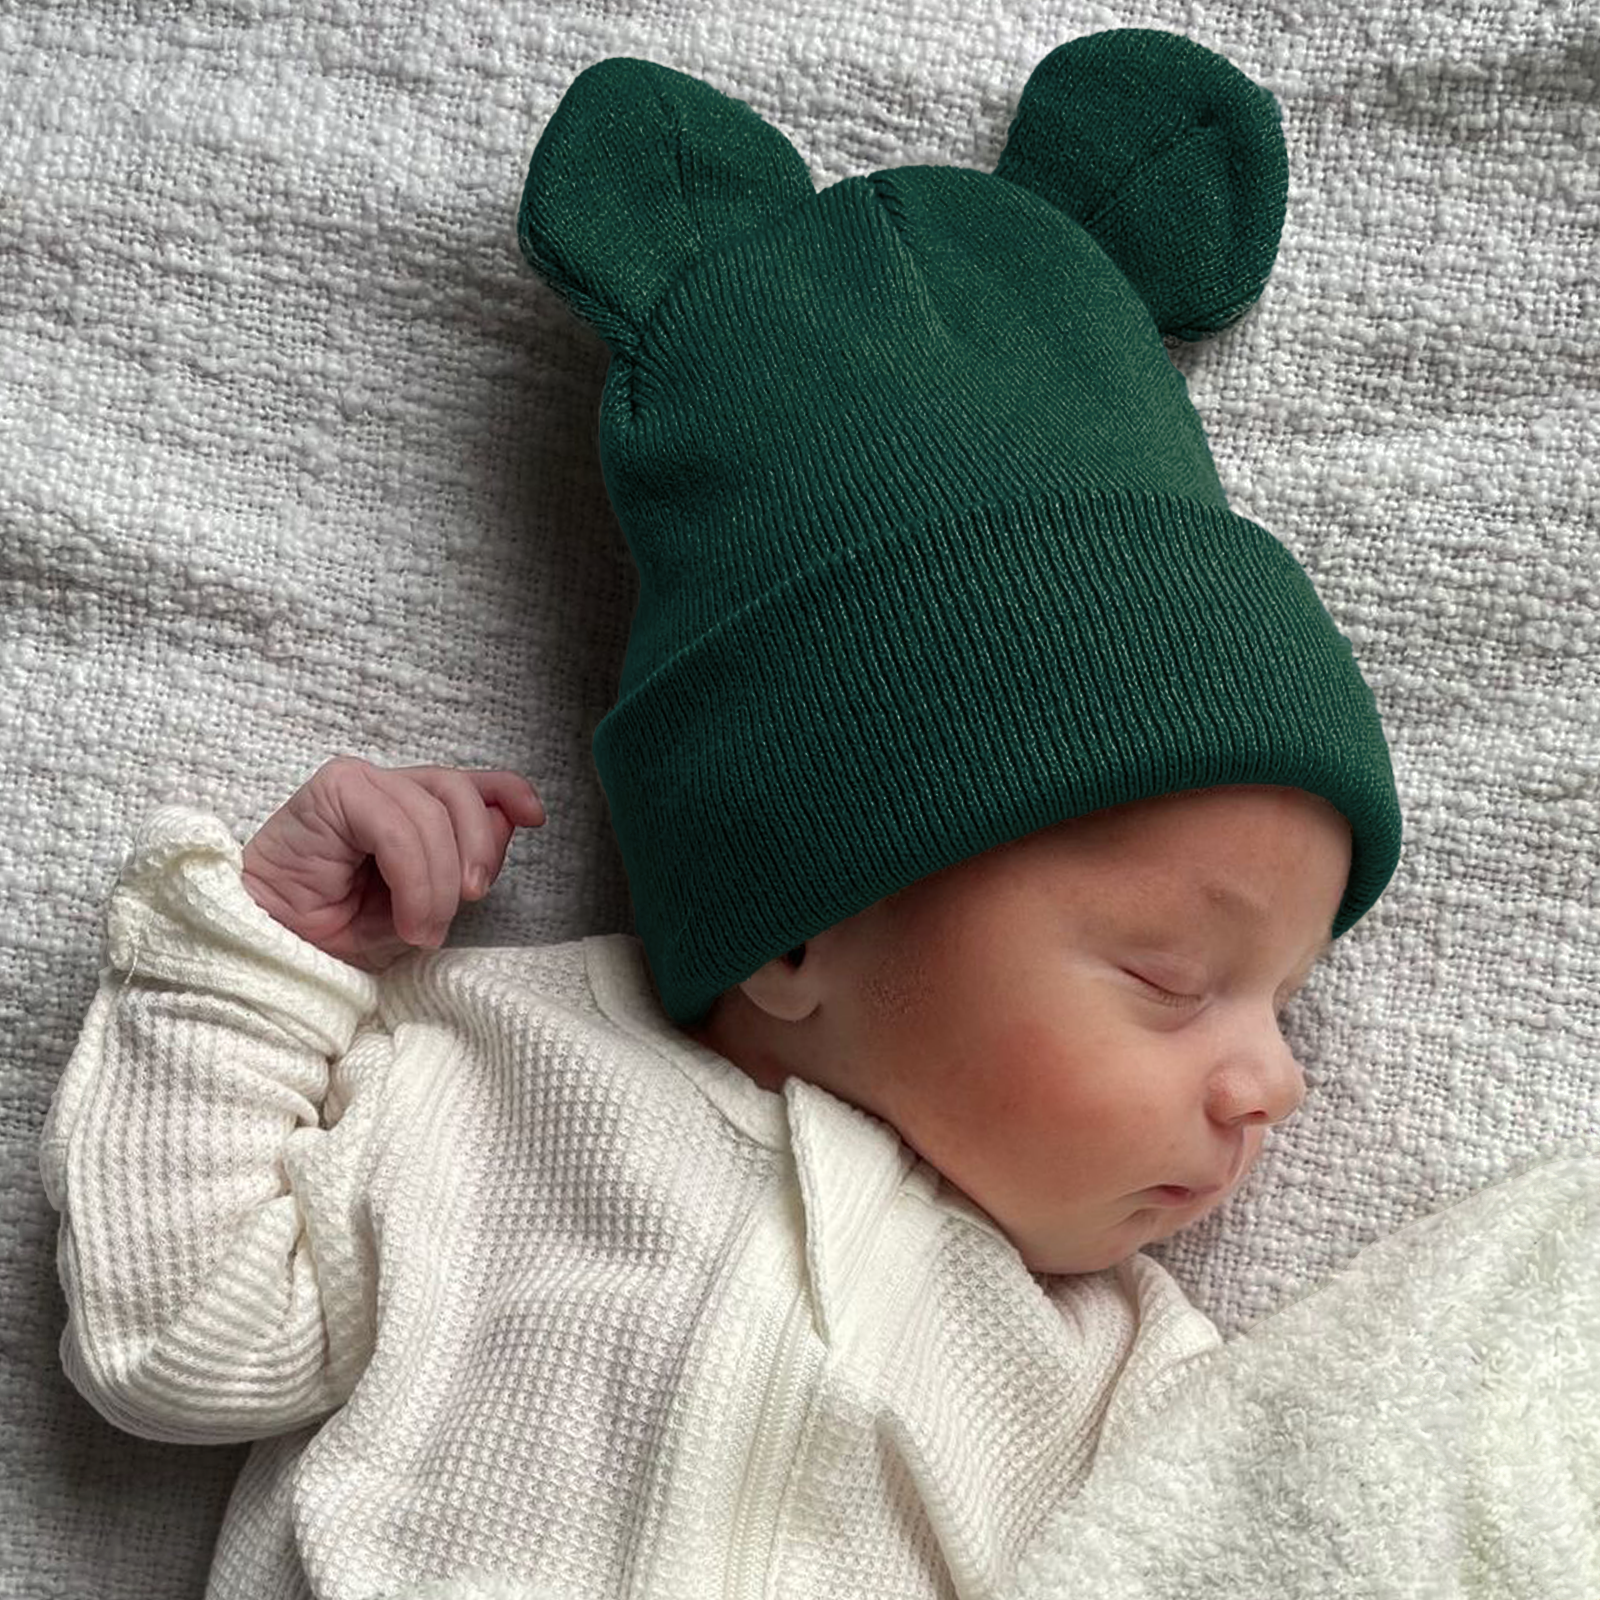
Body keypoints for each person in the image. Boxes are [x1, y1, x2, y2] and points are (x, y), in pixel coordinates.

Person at [41, 28, 1402, 1600]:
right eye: (1172, 978)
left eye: (1285, 998)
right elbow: (177, 1340)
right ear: (801, 924)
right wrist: (264, 958)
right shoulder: (492, 1093)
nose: (1275, 1083)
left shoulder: (1125, 1391)